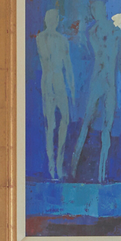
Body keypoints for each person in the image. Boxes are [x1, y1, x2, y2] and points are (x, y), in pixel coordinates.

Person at [69, 0, 121, 183]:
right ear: (93, 12)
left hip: (108, 81)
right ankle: (74, 167)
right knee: (87, 122)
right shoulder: (94, 31)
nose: (98, 12)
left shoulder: (104, 30)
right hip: (99, 79)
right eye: (95, 10)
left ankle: (101, 173)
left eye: (100, 9)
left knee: (107, 126)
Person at [36, 9, 75, 181]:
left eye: (55, 18)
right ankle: (52, 165)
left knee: (65, 119)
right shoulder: (41, 38)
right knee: (50, 124)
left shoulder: (63, 40)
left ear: (58, 20)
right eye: (49, 18)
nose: (52, 21)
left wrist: (72, 88)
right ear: (45, 19)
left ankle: (59, 162)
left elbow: (68, 66)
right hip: (48, 80)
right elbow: (46, 56)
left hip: (60, 80)